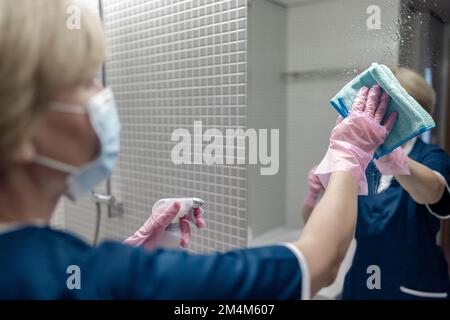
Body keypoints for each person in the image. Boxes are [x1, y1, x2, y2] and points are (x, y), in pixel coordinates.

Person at [0, 0, 395, 299]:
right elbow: (319, 264)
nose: (102, 96)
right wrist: (348, 156)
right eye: (84, 81)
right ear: (18, 127)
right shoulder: (91, 276)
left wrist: (133, 251)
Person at [303, 68, 450, 299]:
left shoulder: (431, 156)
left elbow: (434, 192)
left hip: (413, 286)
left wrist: (397, 161)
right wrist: (313, 195)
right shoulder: (363, 159)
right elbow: (317, 228)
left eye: (393, 106)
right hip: (362, 282)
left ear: (416, 111)